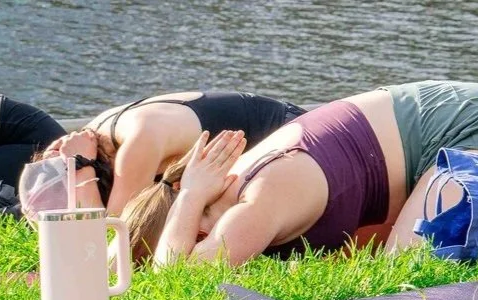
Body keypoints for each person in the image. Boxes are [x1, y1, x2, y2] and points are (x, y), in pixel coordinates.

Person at [135, 81, 478, 267]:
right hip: (435, 132)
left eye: (189, 236)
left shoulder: (261, 195)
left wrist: (189, 196)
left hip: (476, 125)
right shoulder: (242, 190)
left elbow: (180, 276)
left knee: (406, 264)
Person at [29, 91, 306, 216]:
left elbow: (113, 230)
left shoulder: (137, 143)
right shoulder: (97, 137)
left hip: (295, 133)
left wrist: (81, 166)